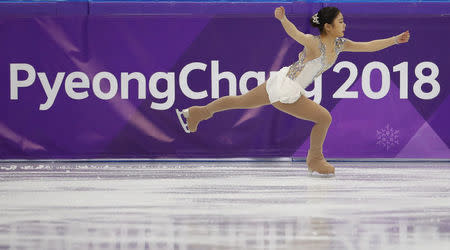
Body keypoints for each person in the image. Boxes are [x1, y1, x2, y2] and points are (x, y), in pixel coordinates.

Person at [176, 6, 410, 176]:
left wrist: (394, 40)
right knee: (324, 117)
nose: (344, 24)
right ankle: (315, 159)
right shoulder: (313, 43)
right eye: (340, 22)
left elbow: (368, 46)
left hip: (284, 83)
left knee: (240, 101)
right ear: (327, 26)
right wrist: (283, 18)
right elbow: (295, 33)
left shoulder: (340, 44)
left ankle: (197, 113)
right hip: (286, 89)